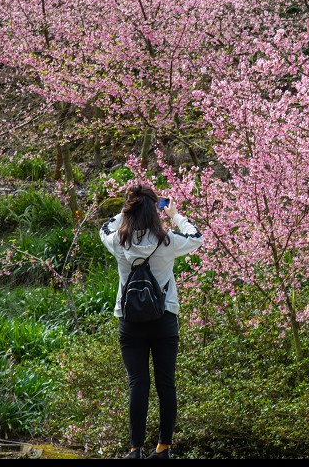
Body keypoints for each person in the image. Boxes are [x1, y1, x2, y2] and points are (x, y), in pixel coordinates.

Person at [100, 183, 204, 459]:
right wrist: (175, 215)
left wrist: (124, 212)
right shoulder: (168, 241)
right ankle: (163, 448)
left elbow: (103, 228)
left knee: (138, 383)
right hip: (164, 319)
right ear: (155, 211)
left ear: (130, 209)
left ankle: (135, 449)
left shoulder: (119, 241)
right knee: (166, 383)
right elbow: (197, 237)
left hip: (130, 321)